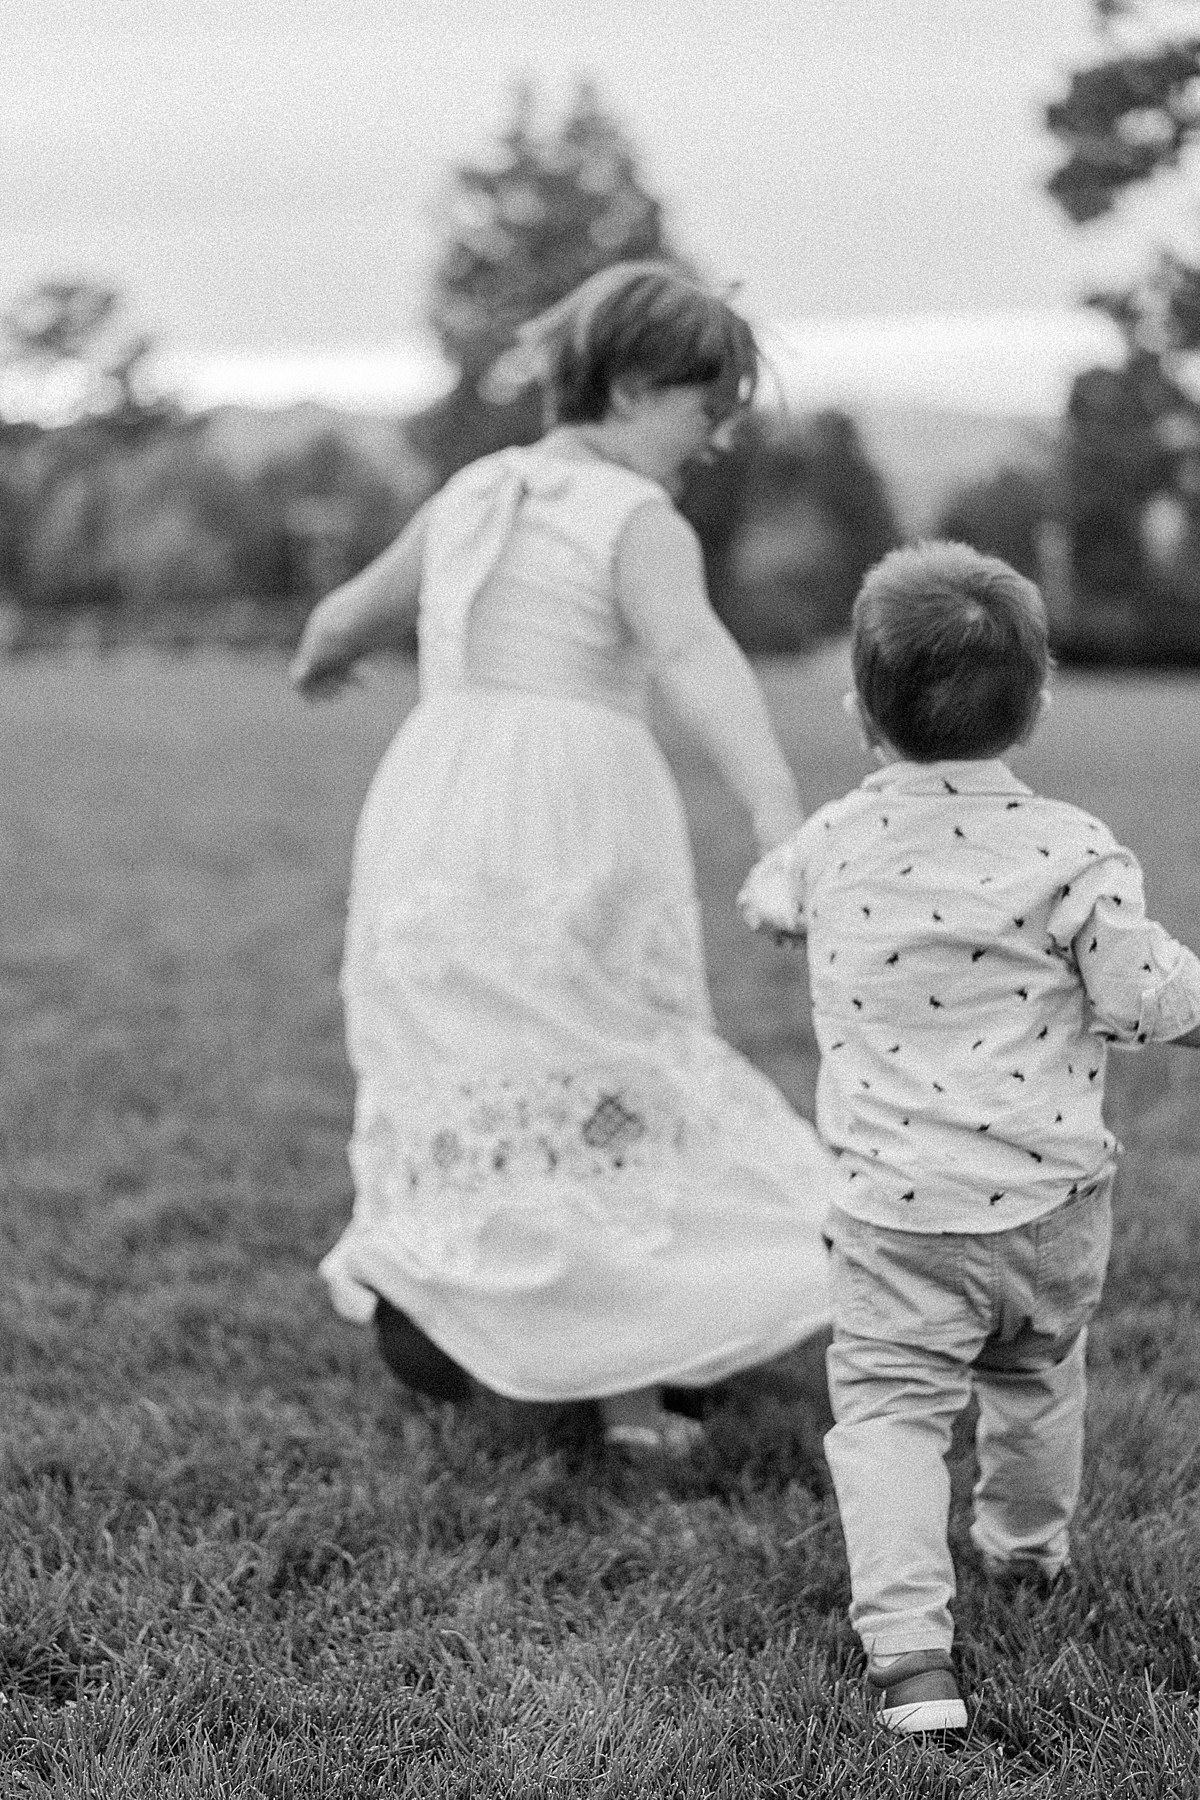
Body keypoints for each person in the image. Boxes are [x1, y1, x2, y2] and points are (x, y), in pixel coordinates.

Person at [290, 261, 837, 1456]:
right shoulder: (637, 521)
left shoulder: (477, 489)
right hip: (575, 811)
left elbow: (349, 613)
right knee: (605, 1048)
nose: (713, 439)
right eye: (708, 409)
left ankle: (462, 1288)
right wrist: (775, 808)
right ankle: (630, 1383)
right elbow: (693, 657)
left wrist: (320, 658)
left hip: (438, 805)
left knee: (471, 1049)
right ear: (639, 388)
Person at [738, 540, 1200, 1731]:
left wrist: (788, 913)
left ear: (858, 710)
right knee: (1039, 1377)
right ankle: (1025, 1551)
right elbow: (1143, 996)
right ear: (1036, 703)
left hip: (895, 1215)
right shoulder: (1074, 849)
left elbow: (767, 894)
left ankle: (910, 1660)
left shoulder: (833, 839)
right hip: (1049, 1207)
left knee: (891, 1414)